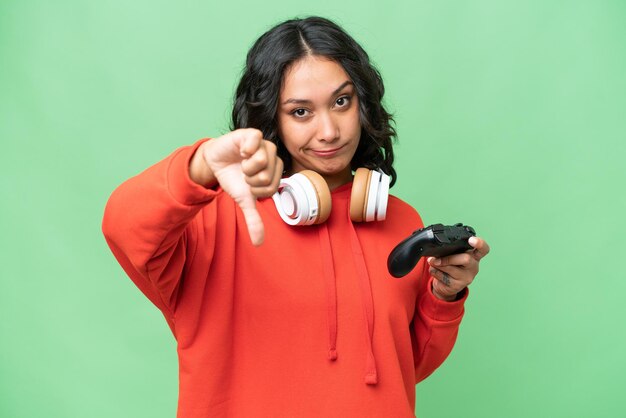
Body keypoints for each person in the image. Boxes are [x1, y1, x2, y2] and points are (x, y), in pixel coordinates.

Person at [102, 16, 490, 418]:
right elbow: (122, 225)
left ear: (364, 101)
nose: (329, 131)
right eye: (301, 111)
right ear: (272, 118)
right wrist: (200, 164)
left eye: (341, 102)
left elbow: (404, 367)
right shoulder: (216, 218)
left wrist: (444, 296)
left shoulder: (397, 218)